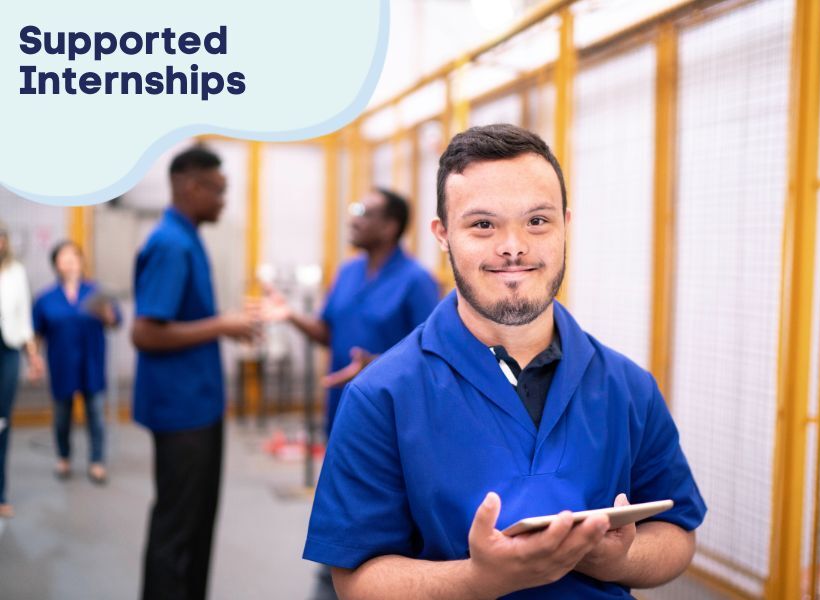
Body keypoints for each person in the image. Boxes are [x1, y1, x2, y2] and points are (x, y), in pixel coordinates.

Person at [303, 124, 707, 599]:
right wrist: (480, 579)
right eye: (483, 224)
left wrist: (616, 558)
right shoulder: (382, 396)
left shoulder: (627, 386)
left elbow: (677, 534)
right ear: (443, 235)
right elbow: (356, 581)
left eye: (537, 221)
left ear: (564, 226)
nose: (513, 245)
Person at [131, 146, 259, 600]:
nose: (224, 200)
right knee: (180, 526)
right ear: (191, 185)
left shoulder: (185, 235)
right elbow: (145, 332)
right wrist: (222, 324)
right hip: (181, 411)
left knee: (196, 521)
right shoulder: (170, 244)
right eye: (219, 191)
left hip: (196, 405)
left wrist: (222, 324)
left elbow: (179, 318)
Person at [264, 187, 439, 437]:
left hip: (389, 411)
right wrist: (290, 315)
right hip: (341, 405)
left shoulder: (416, 280)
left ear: (389, 227)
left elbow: (432, 355)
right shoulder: (347, 272)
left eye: (364, 213)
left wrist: (378, 365)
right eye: (354, 211)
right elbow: (327, 334)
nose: (353, 220)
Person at [32, 240, 120, 484]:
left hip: (92, 363)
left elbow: (115, 322)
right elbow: (36, 333)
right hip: (62, 365)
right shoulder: (46, 298)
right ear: (56, 264)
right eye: (63, 257)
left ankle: (97, 461)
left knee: (95, 415)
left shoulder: (96, 292)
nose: (69, 261)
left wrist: (107, 314)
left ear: (81, 261)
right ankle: (63, 457)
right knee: (62, 416)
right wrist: (34, 358)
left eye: (73, 256)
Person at [0, 223, 45, 519]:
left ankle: (0, 492)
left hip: (8, 350)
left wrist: (33, 355)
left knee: (2, 423)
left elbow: (24, 317)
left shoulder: (16, 271)